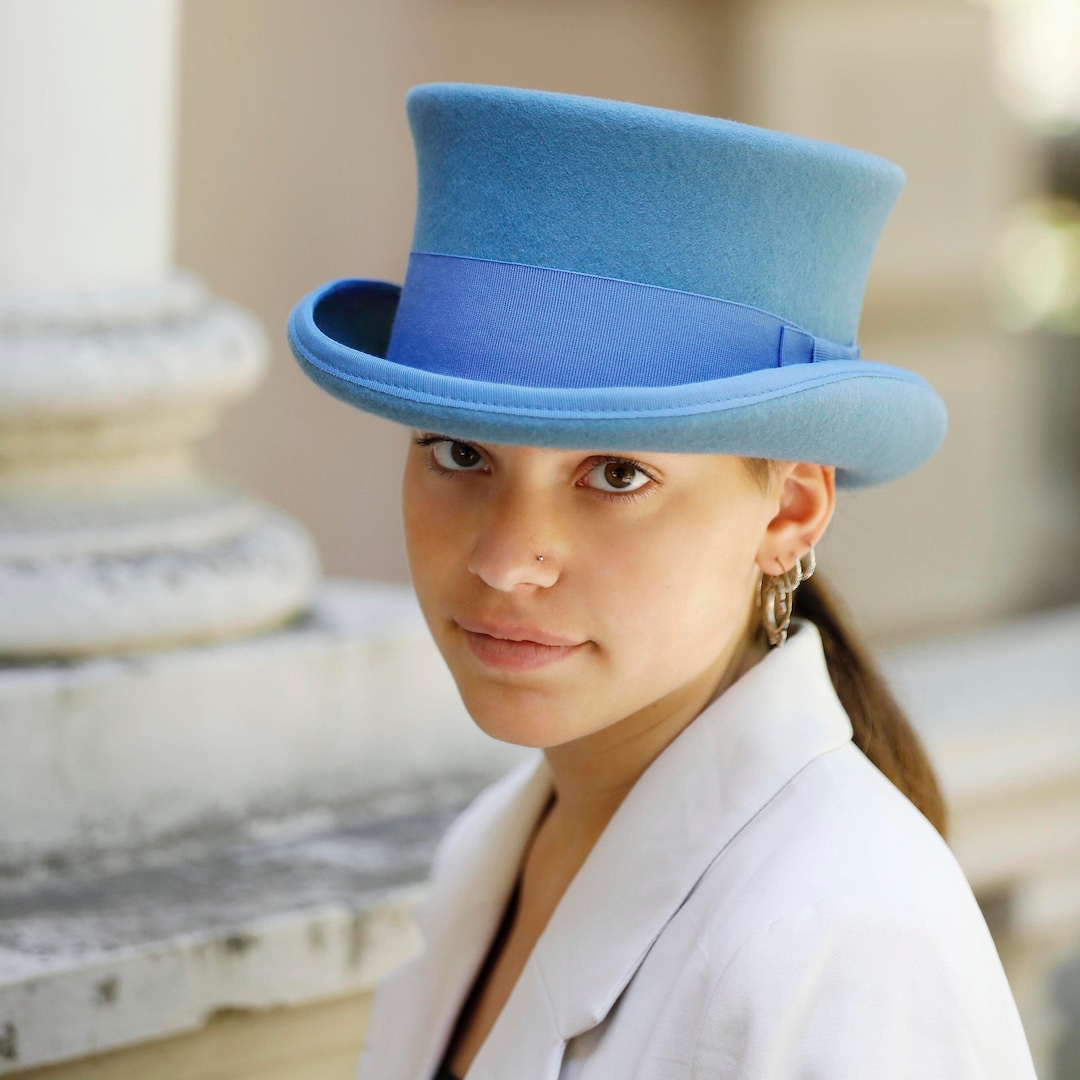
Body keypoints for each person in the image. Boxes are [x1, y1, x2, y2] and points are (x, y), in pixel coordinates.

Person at [288, 83, 1037, 1080]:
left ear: (789, 512)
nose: (505, 560)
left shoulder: (844, 941)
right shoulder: (494, 848)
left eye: (615, 475)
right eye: (459, 452)